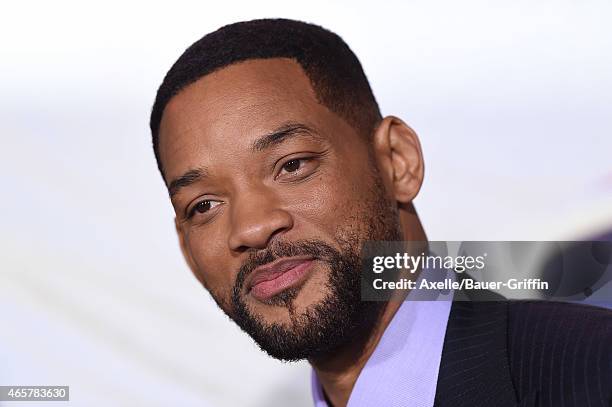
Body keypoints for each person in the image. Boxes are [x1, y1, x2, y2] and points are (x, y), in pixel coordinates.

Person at [149, 18, 612, 407]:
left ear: (397, 161)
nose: (250, 227)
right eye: (204, 206)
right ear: (187, 252)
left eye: (292, 166)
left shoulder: (593, 369)